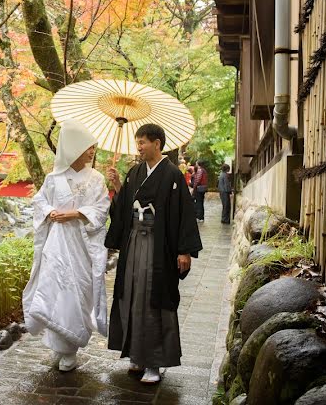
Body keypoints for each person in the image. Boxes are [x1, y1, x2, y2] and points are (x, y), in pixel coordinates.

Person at [105, 123, 203, 384]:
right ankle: (136, 355)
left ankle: (154, 363)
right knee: (132, 293)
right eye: (137, 142)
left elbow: (184, 212)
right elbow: (124, 207)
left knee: (153, 298)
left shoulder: (172, 174)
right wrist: (116, 185)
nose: (139, 146)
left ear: (157, 143)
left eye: (143, 142)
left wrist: (185, 250)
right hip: (134, 241)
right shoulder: (135, 172)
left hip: (159, 245)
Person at [22, 119, 111, 372]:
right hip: (58, 243)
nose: (92, 151)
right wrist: (50, 212)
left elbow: (102, 208)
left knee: (78, 290)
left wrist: (75, 214)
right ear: (73, 148)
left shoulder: (97, 179)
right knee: (56, 288)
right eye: (87, 147)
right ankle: (61, 347)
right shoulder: (53, 178)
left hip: (81, 244)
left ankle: (70, 347)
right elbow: (39, 202)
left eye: (93, 147)